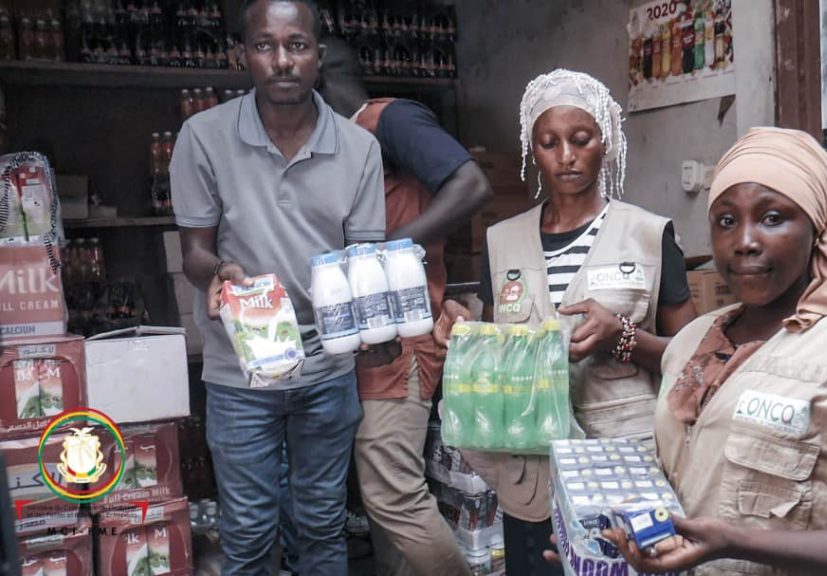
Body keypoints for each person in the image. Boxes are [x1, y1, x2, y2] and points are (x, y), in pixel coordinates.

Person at [599, 127, 827, 575]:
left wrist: (734, 543)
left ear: (816, 229)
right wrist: (600, 539)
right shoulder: (690, 341)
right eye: (726, 221)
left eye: (773, 218)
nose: (744, 240)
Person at [435, 69, 698, 576]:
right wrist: (466, 335)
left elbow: (693, 360)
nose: (566, 156)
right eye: (549, 142)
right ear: (532, 150)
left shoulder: (647, 234)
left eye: (581, 139)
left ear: (607, 143)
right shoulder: (501, 241)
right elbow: (501, 355)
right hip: (531, 473)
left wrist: (622, 337)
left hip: (624, 467)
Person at [169, 0, 384, 574]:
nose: (282, 60)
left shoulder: (359, 148)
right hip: (240, 370)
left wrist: (376, 321)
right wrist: (216, 272)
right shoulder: (202, 137)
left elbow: (362, 260)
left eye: (297, 46)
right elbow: (194, 249)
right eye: (266, 45)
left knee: (321, 527)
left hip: (327, 371)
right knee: (248, 534)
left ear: (319, 54)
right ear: (244, 54)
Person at [313, 36, 491, 576]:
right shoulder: (336, 142)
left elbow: (472, 184)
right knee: (383, 507)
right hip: (363, 339)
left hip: (403, 340)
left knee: (393, 494)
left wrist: (387, 254)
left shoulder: (389, 120)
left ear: (317, 67)